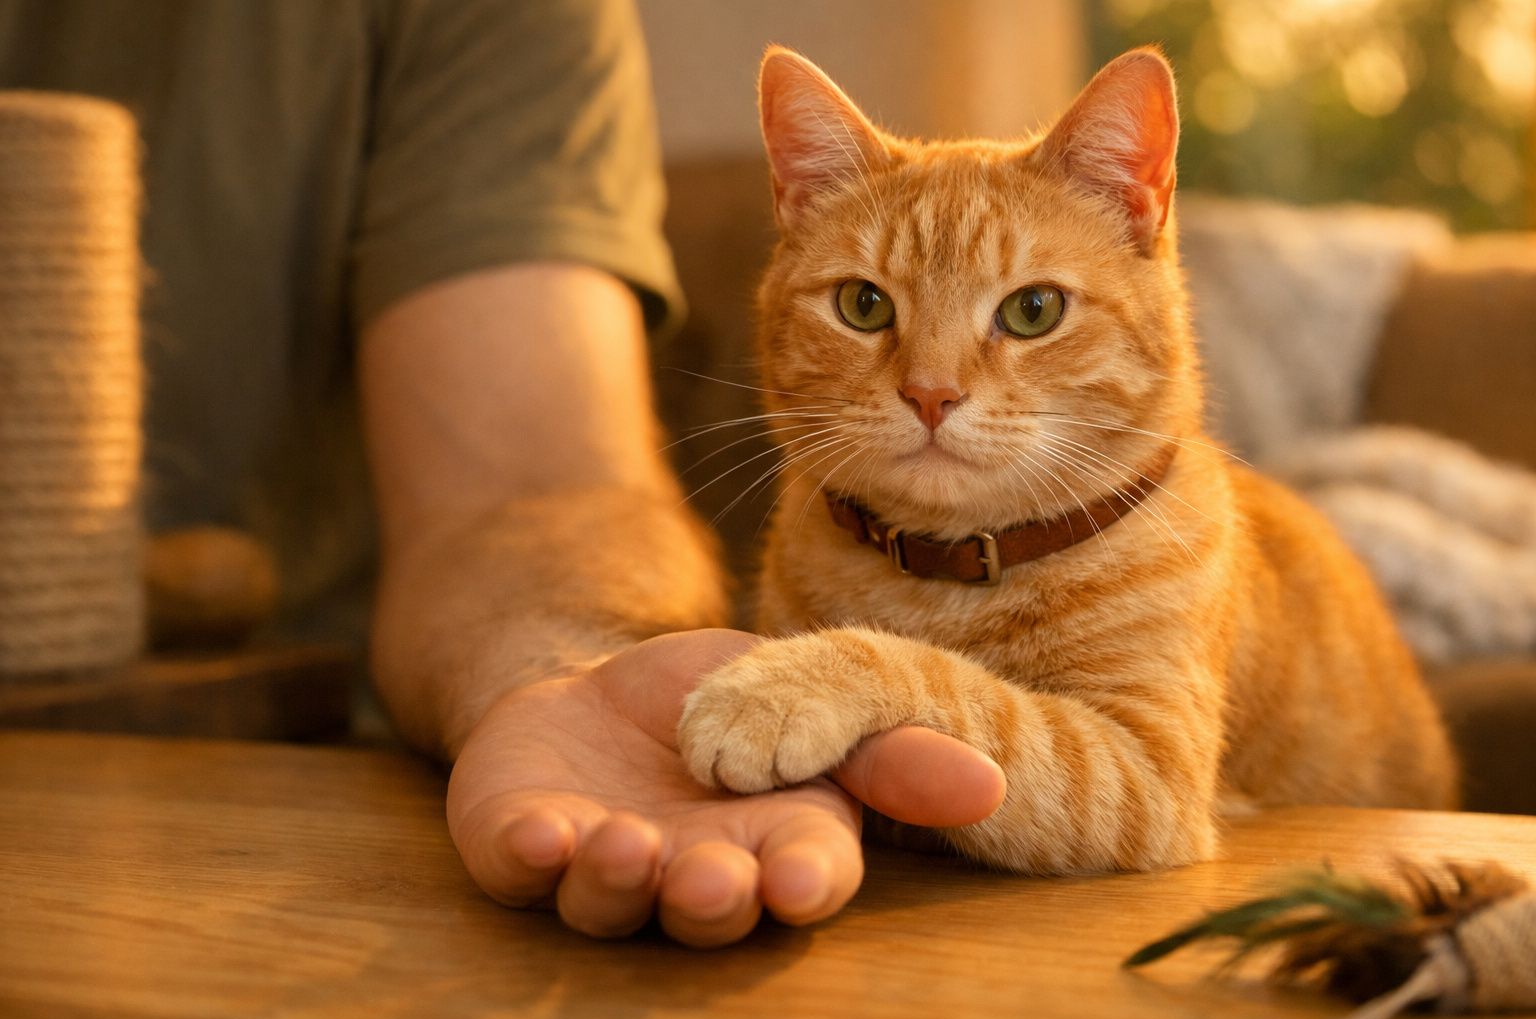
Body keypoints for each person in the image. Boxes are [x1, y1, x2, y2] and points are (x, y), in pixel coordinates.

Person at [0, 0, 1002, 946]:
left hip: (262, 793)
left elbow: (527, 487)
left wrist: (561, 678)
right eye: (868, 308)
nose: (932, 383)